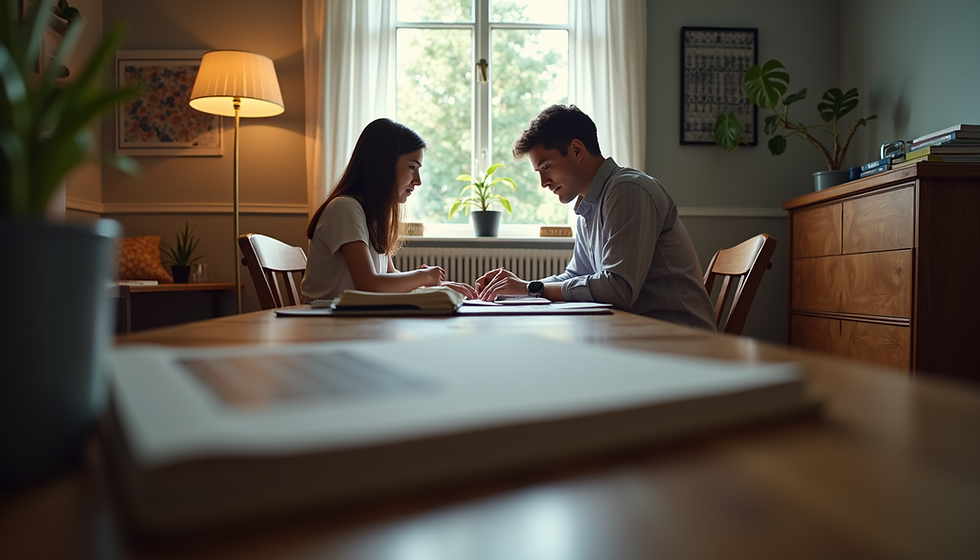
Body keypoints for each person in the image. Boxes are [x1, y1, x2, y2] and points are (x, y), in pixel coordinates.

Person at [475, 105, 716, 330]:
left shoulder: (628, 190)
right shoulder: (589, 206)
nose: (543, 183)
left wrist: (530, 289)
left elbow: (618, 289)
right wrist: (518, 288)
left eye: (546, 167)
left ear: (577, 150)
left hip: (681, 341)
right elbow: (575, 276)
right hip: (637, 334)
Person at [303, 118, 477, 301]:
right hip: (324, 323)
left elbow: (390, 276)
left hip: (350, 321)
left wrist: (435, 285)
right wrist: (424, 276)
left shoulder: (372, 218)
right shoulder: (345, 208)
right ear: (382, 164)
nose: (418, 181)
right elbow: (369, 285)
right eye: (412, 167)